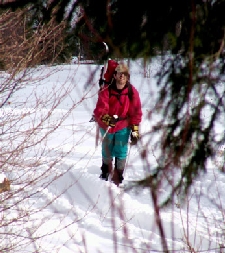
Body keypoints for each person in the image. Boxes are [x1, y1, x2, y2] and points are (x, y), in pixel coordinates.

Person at [93, 63, 142, 186]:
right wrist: (107, 119)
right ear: (114, 75)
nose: (122, 77)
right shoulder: (106, 89)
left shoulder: (132, 92)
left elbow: (136, 112)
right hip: (107, 126)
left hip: (123, 126)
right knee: (107, 149)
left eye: (124, 74)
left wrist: (135, 130)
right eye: (119, 74)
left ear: (128, 76)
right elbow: (100, 109)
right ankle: (105, 171)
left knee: (121, 150)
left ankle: (118, 174)